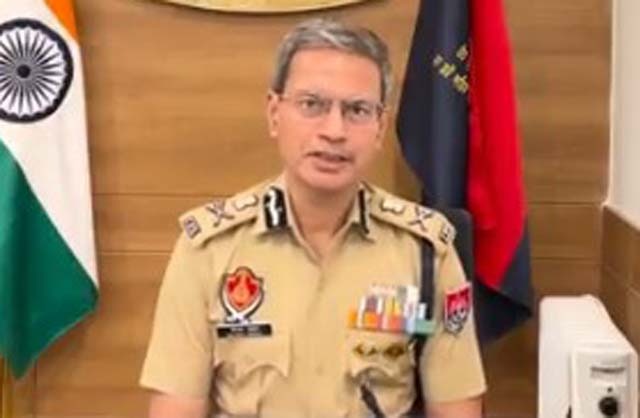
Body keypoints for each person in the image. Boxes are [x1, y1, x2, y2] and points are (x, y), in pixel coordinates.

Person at [140, 18, 486, 418]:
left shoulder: (425, 252)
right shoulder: (209, 249)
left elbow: (456, 409)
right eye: (312, 105)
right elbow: (176, 408)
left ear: (380, 127)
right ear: (274, 113)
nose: (334, 130)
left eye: (357, 110)